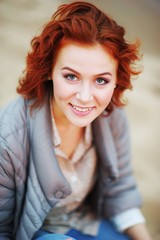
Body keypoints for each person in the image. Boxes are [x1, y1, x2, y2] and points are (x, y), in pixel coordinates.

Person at [0, 1, 152, 240]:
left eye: (101, 80)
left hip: (85, 221)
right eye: (71, 76)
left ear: (116, 81)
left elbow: (119, 191)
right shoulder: (8, 138)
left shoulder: (113, 119)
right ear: (49, 70)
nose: (84, 97)